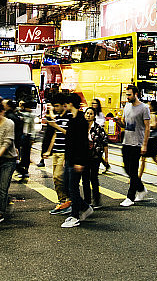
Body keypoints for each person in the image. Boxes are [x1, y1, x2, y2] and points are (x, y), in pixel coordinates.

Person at [53, 94, 92, 228]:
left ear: (71, 104)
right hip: (69, 159)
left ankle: (75, 216)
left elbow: (82, 143)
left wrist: (80, 162)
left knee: (73, 188)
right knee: (67, 187)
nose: (65, 106)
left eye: (66, 104)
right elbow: (69, 141)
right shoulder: (72, 118)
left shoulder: (80, 120)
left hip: (77, 160)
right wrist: (66, 158)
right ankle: (85, 207)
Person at [116, 85, 150, 207]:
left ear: (136, 94)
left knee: (133, 169)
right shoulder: (126, 106)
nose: (127, 97)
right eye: (126, 94)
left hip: (137, 143)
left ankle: (130, 197)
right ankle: (141, 189)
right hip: (126, 141)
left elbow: (147, 127)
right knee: (127, 168)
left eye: (129, 94)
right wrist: (118, 121)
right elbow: (125, 124)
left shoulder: (144, 108)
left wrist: (144, 144)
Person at [46, 96, 72, 214]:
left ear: (64, 106)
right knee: (55, 178)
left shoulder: (69, 118)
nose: (55, 108)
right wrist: (49, 151)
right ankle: (62, 202)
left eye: (57, 106)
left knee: (59, 177)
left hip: (64, 152)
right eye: (54, 106)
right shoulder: (58, 118)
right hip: (56, 151)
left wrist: (56, 126)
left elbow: (69, 134)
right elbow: (55, 135)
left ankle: (68, 201)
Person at [83, 106, 108, 209]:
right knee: (85, 179)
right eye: (87, 113)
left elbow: (105, 143)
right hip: (83, 157)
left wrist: (106, 158)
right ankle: (87, 201)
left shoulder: (98, 128)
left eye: (91, 114)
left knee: (93, 178)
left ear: (94, 116)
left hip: (95, 157)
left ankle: (96, 201)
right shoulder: (81, 127)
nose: (89, 115)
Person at [16, 100, 36, 178]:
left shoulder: (31, 116)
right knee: (20, 153)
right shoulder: (19, 114)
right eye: (28, 107)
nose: (30, 109)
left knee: (26, 154)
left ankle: (26, 170)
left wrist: (32, 137)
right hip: (20, 136)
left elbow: (33, 127)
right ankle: (22, 169)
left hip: (27, 136)